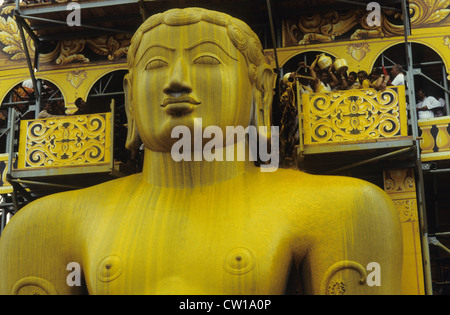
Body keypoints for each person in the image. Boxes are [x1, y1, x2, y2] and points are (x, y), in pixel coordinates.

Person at [0, 8, 402, 295]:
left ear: (260, 89)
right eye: (156, 64)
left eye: (207, 60)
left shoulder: (343, 209)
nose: (176, 81)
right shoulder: (44, 226)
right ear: (130, 95)